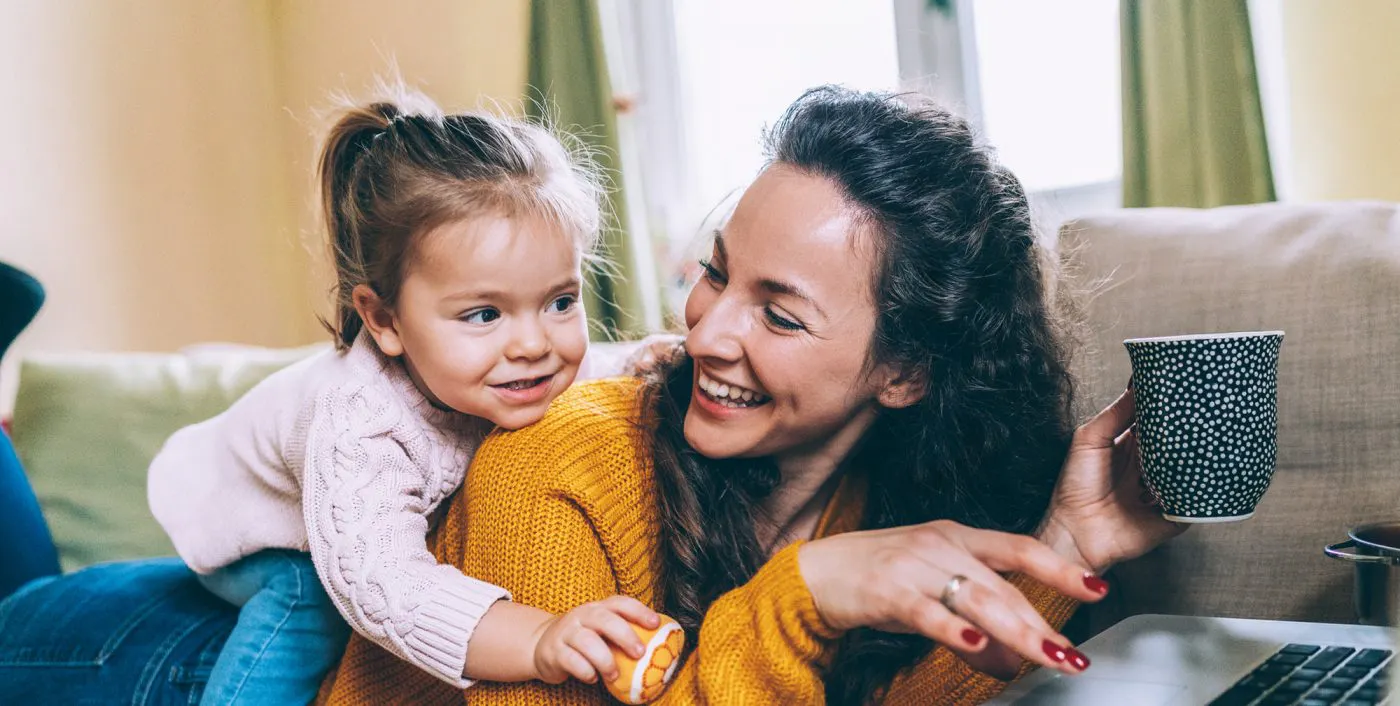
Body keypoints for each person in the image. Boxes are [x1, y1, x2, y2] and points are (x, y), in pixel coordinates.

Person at [0, 86, 1180, 706]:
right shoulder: (551, 452)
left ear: (904, 371)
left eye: (777, 311)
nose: (704, 324)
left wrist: (1054, 554)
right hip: (146, 658)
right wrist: (799, 600)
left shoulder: (868, 501)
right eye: (716, 269)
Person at [143, 86, 664, 705]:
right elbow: (383, 587)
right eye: (483, 314)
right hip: (251, 529)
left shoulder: (522, 365)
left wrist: (647, 360)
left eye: (560, 301)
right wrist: (538, 636)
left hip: (336, 509)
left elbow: (595, 369)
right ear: (383, 319)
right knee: (309, 604)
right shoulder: (360, 424)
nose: (534, 344)